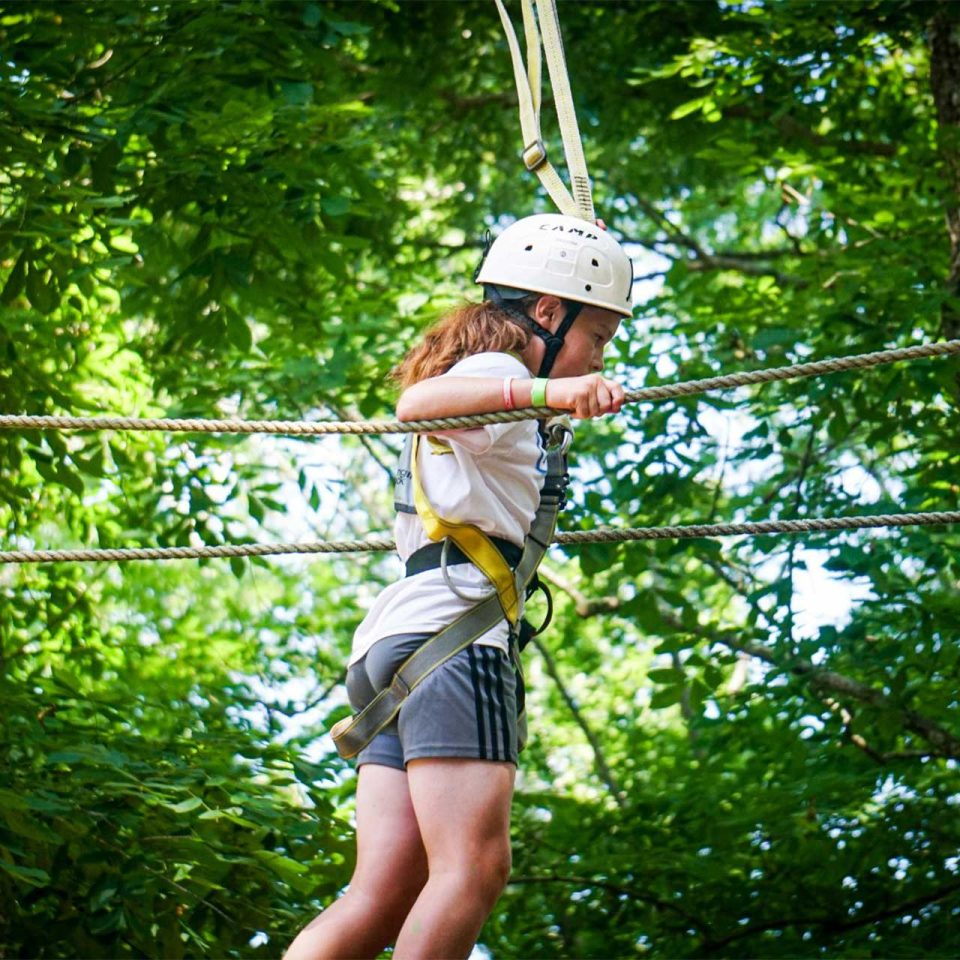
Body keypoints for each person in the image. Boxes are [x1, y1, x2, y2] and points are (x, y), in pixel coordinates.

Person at [284, 213, 633, 960]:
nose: (598, 352)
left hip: (398, 647)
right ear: (548, 312)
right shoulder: (503, 374)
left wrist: (554, 398)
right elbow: (416, 406)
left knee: (382, 894)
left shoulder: (503, 378)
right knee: (473, 867)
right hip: (451, 642)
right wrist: (554, 394)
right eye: (597, 335)